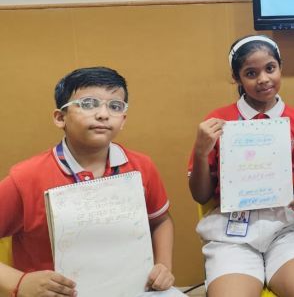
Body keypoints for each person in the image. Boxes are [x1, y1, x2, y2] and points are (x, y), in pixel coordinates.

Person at [0, 67, 176, 297]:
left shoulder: (142, 166)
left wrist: (163, 264)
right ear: (60, 118)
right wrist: (19, 282)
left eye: (115, 106)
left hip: (133, 289)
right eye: (88, 104)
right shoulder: (26, 178)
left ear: (123, 120)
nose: (103, 114)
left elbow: (161, 221)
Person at [188, 35, 294, 297]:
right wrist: (200, 152)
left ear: (280, 67)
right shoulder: (218, 122)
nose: (263, 79)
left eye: (270, 68)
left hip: (286, 230)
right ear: (237, 78)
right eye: (251, 73)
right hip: (232, 234)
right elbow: (201, 195)